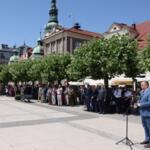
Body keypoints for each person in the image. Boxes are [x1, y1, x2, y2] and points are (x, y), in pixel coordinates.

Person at [138, 81, 150, 148]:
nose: (141, 86)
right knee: (145, 127)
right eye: (141, 85)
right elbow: (140, 100)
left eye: (143, 85)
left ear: (147, 85)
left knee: (149, 127)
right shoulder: (141, 92)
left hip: (148, 113)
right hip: (142, 113)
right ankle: (147, 139)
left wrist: (141, 104)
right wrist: (137, 103)